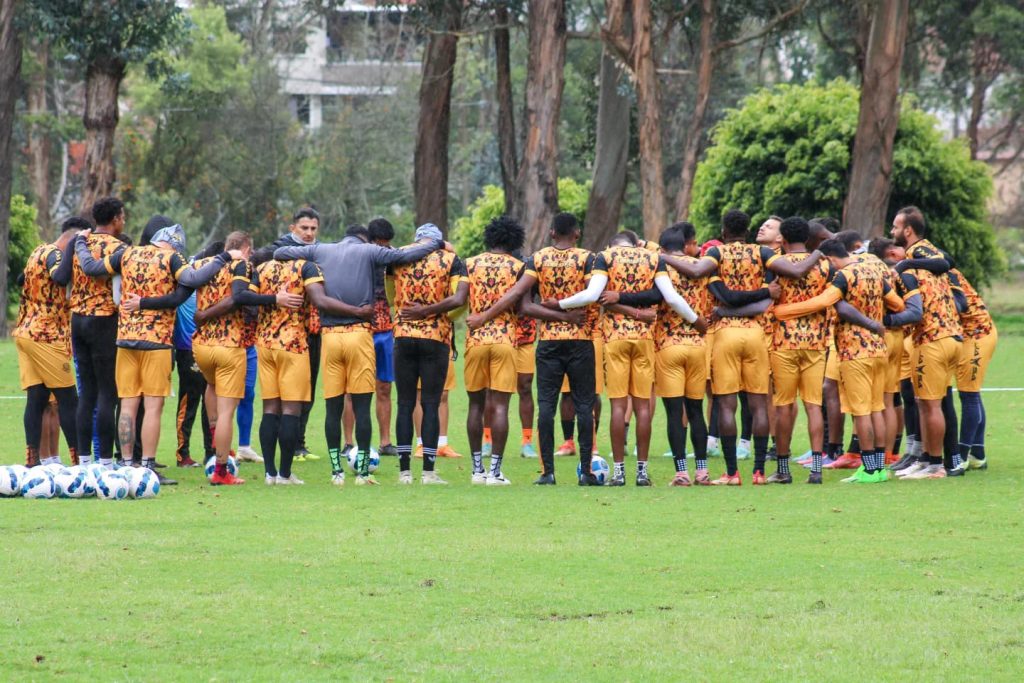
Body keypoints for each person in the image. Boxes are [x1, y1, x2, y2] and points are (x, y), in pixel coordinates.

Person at [275, 224, 444, 485]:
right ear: (364, 239)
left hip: (330, 336)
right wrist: (435, 243)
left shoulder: (320, 250)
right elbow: (403, 257)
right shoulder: (369, 251)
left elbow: (280, 253)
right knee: (363, 406)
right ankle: (363, 473)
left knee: (333, 407)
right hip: (359, 334)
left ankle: (336, 472)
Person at [663, 209, 823, 485]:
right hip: (756, 332)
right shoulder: (762, 254)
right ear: (747, 231)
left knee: (726, 405)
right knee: (759, 404)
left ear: (723, 232)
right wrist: (819, 253)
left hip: (725, 334)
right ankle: (759, 472)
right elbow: (796, 271)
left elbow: (696, 269)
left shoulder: (717, 254)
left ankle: (732, 473)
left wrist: (663, 255)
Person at [75, 222, 240, 484]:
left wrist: (80, 244)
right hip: (157, 340)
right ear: (175, 244)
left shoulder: (127, 253)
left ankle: (127, 463)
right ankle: (149, 465)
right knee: (153, 406)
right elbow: (194, 279)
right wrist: (223, 257)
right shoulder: (172, 258)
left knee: (128, 403)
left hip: (126, 338)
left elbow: (91, 268)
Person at [554, 232, 701, 486]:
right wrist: (696, 320)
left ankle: (620, 472)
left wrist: (559, 304)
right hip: (644, 338)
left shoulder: (606, 257)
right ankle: (642, 472)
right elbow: (671, 298)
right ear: (635, 244)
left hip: (615, 338)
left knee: (619, 406)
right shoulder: (653, 258)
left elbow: (592, 296)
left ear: (613, 244)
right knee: (643, 407)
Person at [468, 212, 598, 485]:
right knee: (584, 405)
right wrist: (568, 314)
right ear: (577, 233)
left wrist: (482, 316)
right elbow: (593, 294)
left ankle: (547, 472)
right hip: (581, 338)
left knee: (546, 406)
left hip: (549, 341)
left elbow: (523, 303)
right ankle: (585, 472)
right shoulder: (588, 258)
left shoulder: (536, 259)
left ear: (551, 233)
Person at [773, 239, 906, 484]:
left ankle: (867, 469)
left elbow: (823, 302)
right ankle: (879, 468)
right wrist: (876, 315)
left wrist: (783, 311)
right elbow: (897, 304)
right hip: (879, 348)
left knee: (861, 411)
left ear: (831, 259)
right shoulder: (872, 272)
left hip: (855, 351)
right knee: (877, 408)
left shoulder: (844, 277)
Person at [188, 231, 305, 485]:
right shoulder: (242, 265)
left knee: (211, 387)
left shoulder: (201, 264)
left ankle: (218, 448)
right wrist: (277, 298)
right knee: (228, 412)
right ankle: (221, 471)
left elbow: (184, 290)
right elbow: (239, 297)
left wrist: (202, 315)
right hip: (229, 344)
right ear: (247, 248)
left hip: (201, 345)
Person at [613, 223, 711, 485]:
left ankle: (681, 472)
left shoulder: (661, 267)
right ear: (686, 244)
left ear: (663, 247)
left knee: (673, 412)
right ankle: (702, 470)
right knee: (696, 411)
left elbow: (655, 297)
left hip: (668, 345)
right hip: (698, 345)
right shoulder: (701, 267)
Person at [390, 224, 468, 484]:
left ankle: (403, 472)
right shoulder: (450, 260)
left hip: (403, 335)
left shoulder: (398, 257)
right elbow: (459, 301)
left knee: (404, 403)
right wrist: (430, 311)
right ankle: (428, 472)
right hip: (435, 337)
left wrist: (408, 307)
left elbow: (391, 297)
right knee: (431, 403)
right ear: (439, 241)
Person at [890, 207, 964, 479]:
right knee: (926, 402)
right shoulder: (924, 257)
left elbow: (945, 263)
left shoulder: (917, 254)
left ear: (908, 230)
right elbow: (946, 262)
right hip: (950, 336)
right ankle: (926, 460)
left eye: (895, 227)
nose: (892, 232)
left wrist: (904, 266)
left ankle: (935, 465)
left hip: (933, 339)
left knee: (930, 404)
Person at [460, 217, 529, 485]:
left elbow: (460, 299)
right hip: (504, 338)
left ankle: (476, 470)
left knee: (475, 405)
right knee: (500, 406)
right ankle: (495, 472)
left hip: (475, 339)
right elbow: (523, 307)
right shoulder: (519, 267)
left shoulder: (470, 264)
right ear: (514, 240)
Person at [762, 217, 831, 484]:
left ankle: (783, 468)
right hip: (815, 341)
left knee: (783, 406)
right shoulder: (823, 265)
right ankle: (816, 468)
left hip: (784, 341)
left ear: (785, 239)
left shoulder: (776, 264)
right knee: (814, 406)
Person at [13, 219, 80, 467]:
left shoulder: (38, 251)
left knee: (37, 398)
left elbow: (22, 279)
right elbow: (60, 277)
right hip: (46, 336)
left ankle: (33, 462)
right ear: (72, 239)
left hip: (25, 333)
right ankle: (80, 462)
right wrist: (75, 246)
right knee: (69, 401)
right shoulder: (55, 255)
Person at [69, 197, 126, 469]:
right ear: (115, 219)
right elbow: (118, 295)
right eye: (122, 217)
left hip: (77, 320)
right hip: (103, 321)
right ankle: (104, 461)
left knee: (87, 392)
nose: (123, 222)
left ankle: (82, 459)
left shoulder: (80, 242)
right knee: (107, 393)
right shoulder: (120, 249)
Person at [172, 289, 212, 468]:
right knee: (189, 400)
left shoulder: (209, 288)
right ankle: (183, 453)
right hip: (187, 350)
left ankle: (211, 451)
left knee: (210, 402)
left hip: (209, 347)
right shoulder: (185, 288)